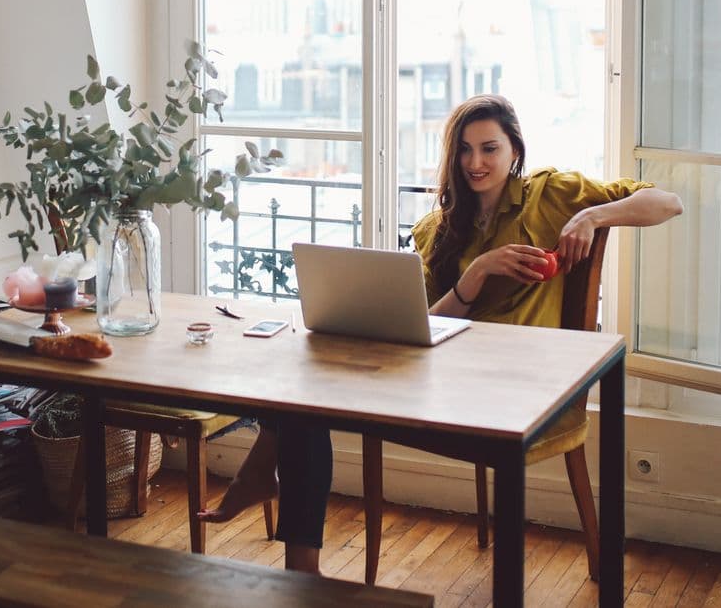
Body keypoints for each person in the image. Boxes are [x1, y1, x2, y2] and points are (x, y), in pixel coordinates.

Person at [198, 93, 683, 572]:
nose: (476, 162)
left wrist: (592, 215)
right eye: (465, 150)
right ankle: (302, 569)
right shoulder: (439, 227)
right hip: (444, 377)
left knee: (304, 397)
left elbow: (666, 202)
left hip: (525, 384)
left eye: (489, 148)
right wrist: (476, 276)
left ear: (515, 149)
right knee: (307, 382)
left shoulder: (550, 194)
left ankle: (261, 468)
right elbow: (426, 321)